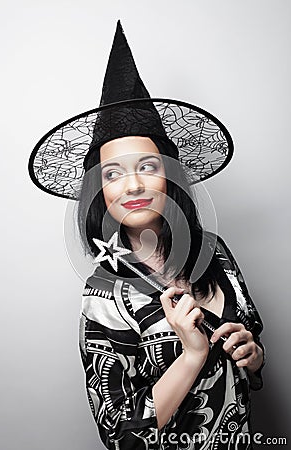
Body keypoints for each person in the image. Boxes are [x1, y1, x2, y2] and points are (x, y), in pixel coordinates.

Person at [28, 21, 265, 450]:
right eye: (113, 174)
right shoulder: (103, 295)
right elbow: (119, 435)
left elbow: (251, 351)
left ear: (169, 176)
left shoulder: (217, 253)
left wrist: (253, 354)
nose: (132, 186)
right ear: (101, 191)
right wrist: (192, 355)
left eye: (147, 167)